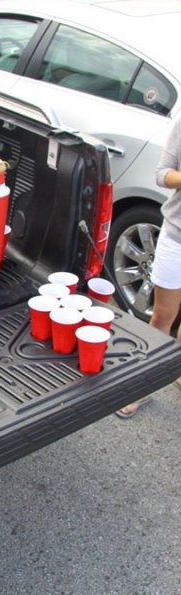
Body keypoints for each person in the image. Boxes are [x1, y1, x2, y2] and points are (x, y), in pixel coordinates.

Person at [116, 115, 181, 418]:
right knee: (162, 318)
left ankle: (175, 369)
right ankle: (140, 388)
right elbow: (162, 174)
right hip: (177, 237)